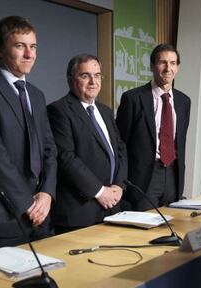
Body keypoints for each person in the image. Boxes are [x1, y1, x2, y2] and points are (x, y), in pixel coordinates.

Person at [0, 16, 57, 251]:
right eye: (19, 46)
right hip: (2, 216)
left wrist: (46, 194)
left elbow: (49, 150)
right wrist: (28, 204)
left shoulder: (36, 95)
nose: (29, 54)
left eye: (33, 46)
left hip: (42, 215)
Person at [47, 54, 127, 234]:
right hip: (80, 212)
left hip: (112, 207)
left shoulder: (105, 111)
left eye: (97, 75)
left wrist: (119, 186)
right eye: (85, 76)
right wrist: (100, 192)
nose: (93, 81)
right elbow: (66, 158)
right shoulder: (58, 110)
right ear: (70, 80)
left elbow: (121, 150)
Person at [116, 44, 191, 211]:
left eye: (172, 63)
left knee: (172, 225)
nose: (168, 68)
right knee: (143, 229)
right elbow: (120, 144)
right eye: (162, 62)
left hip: (173, 174)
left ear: (177, 67)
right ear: (151, 66)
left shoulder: (184, 101)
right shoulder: (133, 98)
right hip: (144, 178)